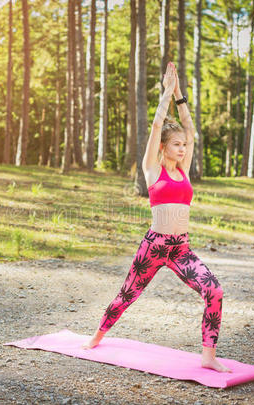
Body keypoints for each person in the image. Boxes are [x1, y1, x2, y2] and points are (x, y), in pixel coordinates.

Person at [81, 61, 231, 373]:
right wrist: (164, 93)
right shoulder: (153, 169)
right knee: (126, 296)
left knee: (214, 290)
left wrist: (178, 93)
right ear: (163, 148)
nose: (182, 148)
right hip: (154, 247)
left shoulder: (184, 170)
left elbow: (190, 129)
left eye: (184, 146)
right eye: (176, 145)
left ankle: (208, 356)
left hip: (181, 248)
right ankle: (97, 336)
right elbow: (155, 126)